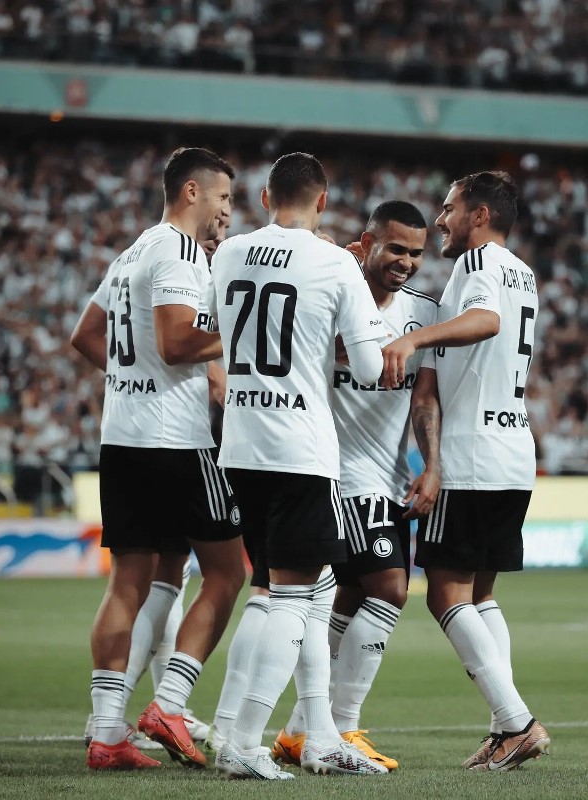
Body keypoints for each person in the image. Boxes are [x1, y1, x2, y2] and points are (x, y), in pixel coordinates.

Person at [208, 151, 389, 779]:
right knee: (291, 596)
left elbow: (221, 330)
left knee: (304, 589)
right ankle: (245, 742)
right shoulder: (336, 262)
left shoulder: (228, 253)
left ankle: (317, 737)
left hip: (241, 444)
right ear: (323, 201)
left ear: (264, 198)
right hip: (300, 449)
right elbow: (369, 368)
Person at [71, 146, 245, 771]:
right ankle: (170, 703)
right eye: (223, 196)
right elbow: (175, 344)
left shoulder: (131, 253)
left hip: (123, 438)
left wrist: (130, 380)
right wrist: (242, 334)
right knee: (228, 572)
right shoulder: (177, 251)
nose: (228, 209)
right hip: (174, 442)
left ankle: (107, 731)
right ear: (192, 191)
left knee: (137, 581)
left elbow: (85, 335)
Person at [381, 170, 550, 771]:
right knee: (480, 595)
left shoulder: (477, 264)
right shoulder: (522, 272)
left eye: (449, 208)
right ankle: (503, 728)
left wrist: (413, 339)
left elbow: (486, 322)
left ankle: (517, 723)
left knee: (445, 593)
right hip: (512, 452)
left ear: (479, 215)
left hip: (473, 453)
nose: (440, 220)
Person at [271, 200, 441, 771]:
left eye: (415, 253)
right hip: (340, 472)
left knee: (348, 597)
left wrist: (431, 464)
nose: (406, 262)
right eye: (395, 248)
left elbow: (423, 398)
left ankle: (299, 731)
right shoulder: (330, 293)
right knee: (391, 590)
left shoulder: (423, 314)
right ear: (366, 243)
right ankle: (342, 727)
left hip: (389, 477)